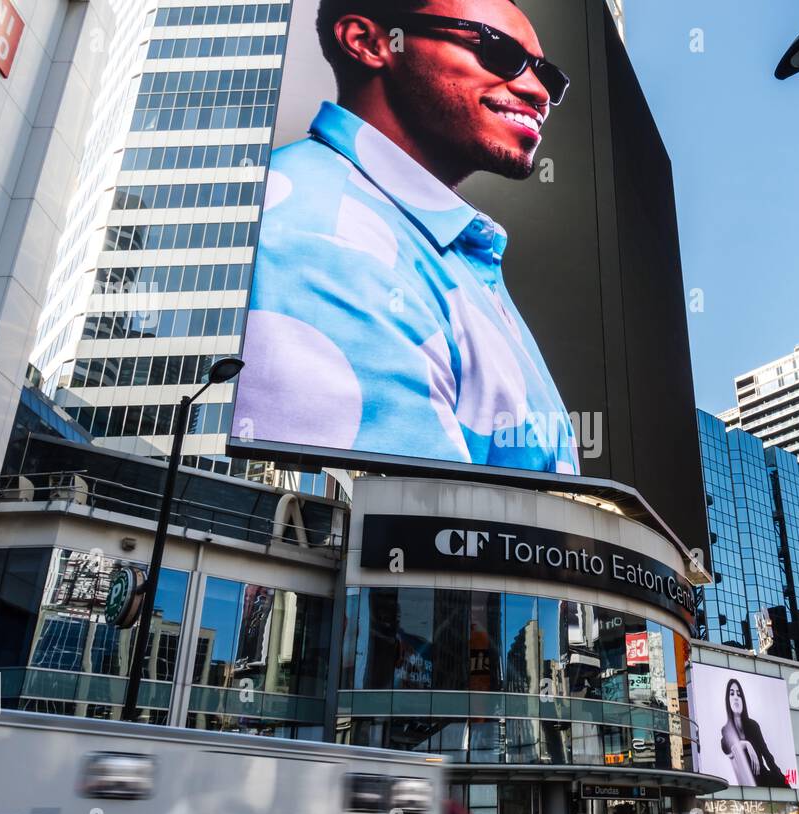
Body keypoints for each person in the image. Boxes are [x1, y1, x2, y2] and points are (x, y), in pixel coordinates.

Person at [236, 0, 580, 473]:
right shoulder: (323, 236)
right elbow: (406, 528)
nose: (537, 90)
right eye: (498, 51)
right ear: (368, 42)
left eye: (549, 75)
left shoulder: (445, 248)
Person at [718, 679, 791, 788]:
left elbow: (767, 755)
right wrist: (746, 744)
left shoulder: (753, 725)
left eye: (739, 694)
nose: (736, 697)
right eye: (732, 694)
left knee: (781, 782)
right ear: (728, 700)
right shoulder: (726, 729)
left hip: (764, 779)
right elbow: (726, 746)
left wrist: (783, 780)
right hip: (747, 785)